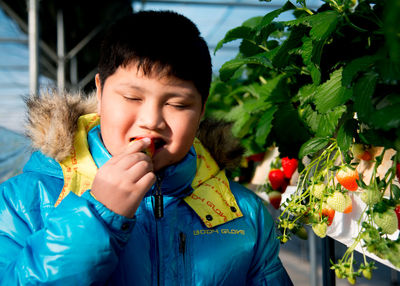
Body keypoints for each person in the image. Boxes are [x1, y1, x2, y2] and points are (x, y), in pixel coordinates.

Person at [0, 10, 293, 285]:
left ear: (202, 110)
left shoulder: (243, 214)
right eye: (131, 97)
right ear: (100, 92)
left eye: (177, 104)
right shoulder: (23, 201)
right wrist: (100, 214)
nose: (151, 121)